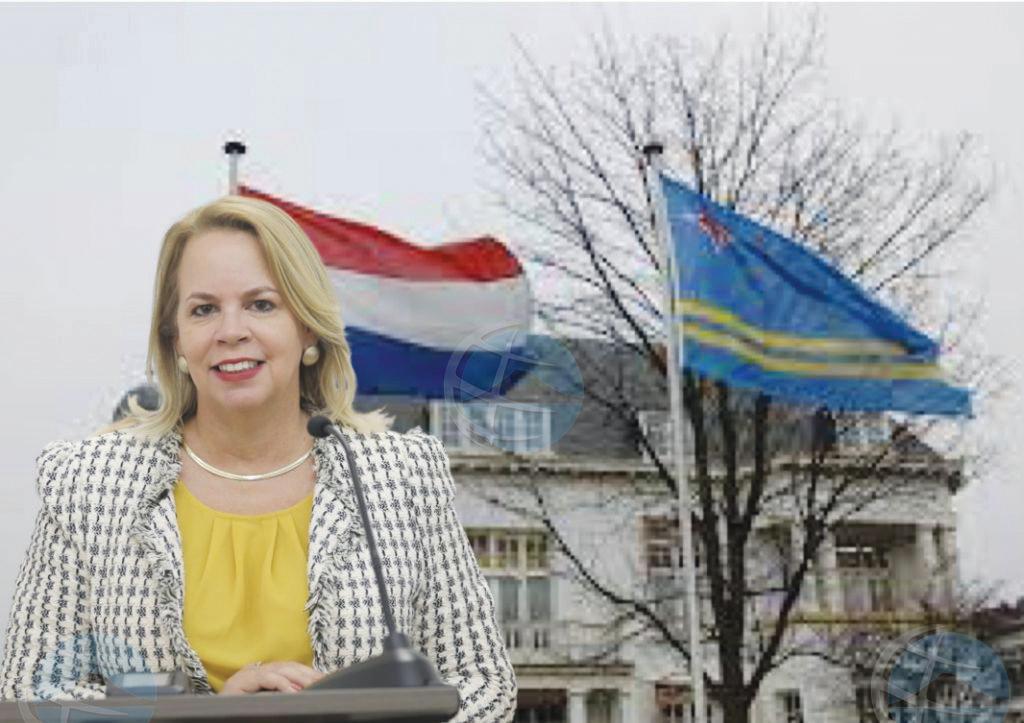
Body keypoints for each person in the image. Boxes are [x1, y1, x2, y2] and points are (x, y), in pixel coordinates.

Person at [0, 196, 517, 721]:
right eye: (203, 310)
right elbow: (34, 690)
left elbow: (483, 683)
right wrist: (211, 719)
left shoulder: (401, 476)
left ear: (307, 327)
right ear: (176, 339)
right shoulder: (89, 483)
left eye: (261, 304)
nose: (231, 331)